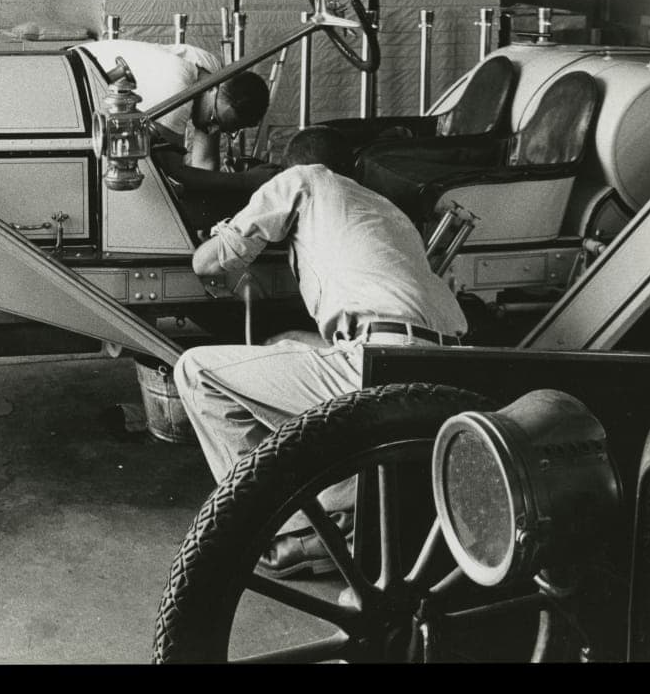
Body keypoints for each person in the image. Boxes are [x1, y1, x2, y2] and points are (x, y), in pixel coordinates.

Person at [172, 125, 467, 577]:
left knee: (196, 371)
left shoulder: (303, 179)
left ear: (296, 165)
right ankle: (346, 514)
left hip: (377, 360)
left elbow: (207, 262)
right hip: (447, 364)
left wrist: (227, 229)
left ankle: (295, 532)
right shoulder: (387, 209)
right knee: (283, 347)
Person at [75, 38, 269, 171]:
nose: (212, 129)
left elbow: (205, 162)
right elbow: (172, 171)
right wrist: (244, 182)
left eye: (223, 129)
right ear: (214, 89)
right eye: (214, 120)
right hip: (69, 86)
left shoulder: (212, 74)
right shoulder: (178, 90)